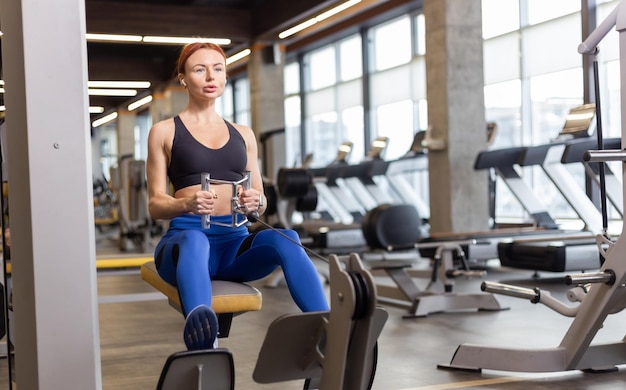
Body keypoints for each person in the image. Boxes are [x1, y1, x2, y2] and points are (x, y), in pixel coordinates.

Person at [146, 42, 329, 351]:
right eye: (199, 69)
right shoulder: (164, 131)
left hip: (233, 248)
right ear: (183, 78)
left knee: (287, 237)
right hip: (184, 246)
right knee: (195, 240)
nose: (210, 76)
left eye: (217, 69)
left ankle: (327, 328)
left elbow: (262, 199)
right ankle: (204, 344)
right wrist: (183, 204)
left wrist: (257, 201)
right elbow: (154, 204)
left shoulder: (243, 134)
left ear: (226, 77)